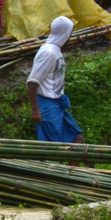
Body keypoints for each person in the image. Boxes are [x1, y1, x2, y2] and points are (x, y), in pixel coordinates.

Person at [26, 16, 83, 144]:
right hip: (47, 106)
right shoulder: (48, 53)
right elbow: (33, 82)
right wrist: (35, 109)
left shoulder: (55, 50)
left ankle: (73, 165)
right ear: (65, 33)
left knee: (76, 139)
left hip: (57, 104)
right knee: (54, 147)